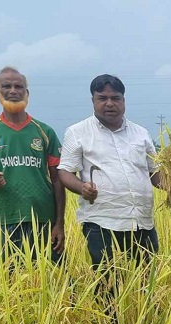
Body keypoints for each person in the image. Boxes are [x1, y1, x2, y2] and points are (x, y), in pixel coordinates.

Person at [58, 74, 162, 303]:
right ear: (93, 101)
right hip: (101, 220)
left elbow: (155, 173)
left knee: (148, 278)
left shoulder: (141, 133)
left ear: (124, 100)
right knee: (106, 281)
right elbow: (65, 172)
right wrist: (82, 187)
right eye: (102, 98)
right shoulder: (77, 132)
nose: (110, 103)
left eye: (115, 98)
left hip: (141, 220)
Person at [0, 66, 65, 263]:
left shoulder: (44, 131)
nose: (13, 91)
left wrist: (59, 224)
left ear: (26, 92)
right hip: (6, 218)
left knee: (54, 278)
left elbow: (58, 180)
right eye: (6, 86)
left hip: (44, 217)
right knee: (12, 280)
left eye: (18, 86)